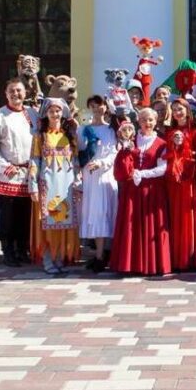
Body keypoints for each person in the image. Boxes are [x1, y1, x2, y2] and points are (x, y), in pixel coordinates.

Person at [0, 78, 37, 267]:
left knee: (26, 214)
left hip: (29, 173)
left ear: (25, 93)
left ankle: (23, 249)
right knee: (9, 216)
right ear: (6, 94)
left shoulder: (32, 113)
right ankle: (8, 250)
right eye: (12, 91)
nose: (16, 94)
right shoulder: (0, 115)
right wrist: (5, 167)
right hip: (10, 174)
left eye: (19, 90)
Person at [111, 109, 171, 275]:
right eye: (144, 119)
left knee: (150, 226)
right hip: (132, 191)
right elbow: (122, 165)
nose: (147, 123)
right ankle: (130, 264)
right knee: (131, 226)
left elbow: (163, 168)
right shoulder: (131, 140)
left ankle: (151, 264)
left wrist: (142, 174)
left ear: (156, 121)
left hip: (152, 191)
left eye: (150, 120)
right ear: (138, 121)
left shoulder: (162, 143)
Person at [28, 98, 81, 275]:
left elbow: (75, 161)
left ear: (63, 113)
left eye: (58, 111)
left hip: (66, 184)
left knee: (63, 221)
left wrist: (78, 182)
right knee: (46, 222)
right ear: (46, 113)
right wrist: (33, 185)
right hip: (47, 184)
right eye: (51, 111)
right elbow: (34, 160)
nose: (55, 114)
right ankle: (48, 258)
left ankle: (59, 256)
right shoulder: (40, 135)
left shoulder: (70, 135)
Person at [77, 95, 119, 273]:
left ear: (105, 107)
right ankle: (99, 254)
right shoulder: (83, 129)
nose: (96, 109)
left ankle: (104, 254)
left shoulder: (111, 130)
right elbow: (78, 150)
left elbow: (114, 153)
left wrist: (101, 163)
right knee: (93, 214)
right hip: (89, 176)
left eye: (99, 105)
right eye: (92, 106)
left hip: (105, 175)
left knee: (105, 213)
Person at [162, 98, 196, 272]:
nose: (177, 113)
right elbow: (166, 154)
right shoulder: (170, 132)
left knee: (188, 217)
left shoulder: (195, 131)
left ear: (187, 110)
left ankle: (189, 258)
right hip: (173, 181)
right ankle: (175, 258)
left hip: (189, 180)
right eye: (174, 110)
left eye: (180, 109)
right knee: (174, 217)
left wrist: (188, 154)